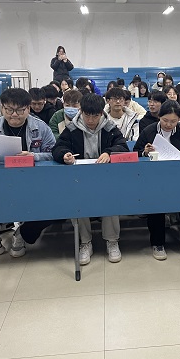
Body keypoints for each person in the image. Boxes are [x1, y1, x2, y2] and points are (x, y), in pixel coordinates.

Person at [0, 88, 56, 263]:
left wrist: (34, 156)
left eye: (20, 110)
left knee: (58, 205)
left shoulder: (41, 128)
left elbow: (54, 154)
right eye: (9, 110)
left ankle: (22, 234)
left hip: (34, 182)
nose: (14, 115)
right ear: (2, 108)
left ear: (28, 109)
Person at [52, 93, 129, 265]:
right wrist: (65, 155)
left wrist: (109, 153)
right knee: (78, 202)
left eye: (95, 116)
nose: (91, 120)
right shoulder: (72, 128)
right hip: (80, 179)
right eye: (87, 115)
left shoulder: (109, 127)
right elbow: (58, 148)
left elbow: (123, 147)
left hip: (106, 179)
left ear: (102, 113)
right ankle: (85, 242)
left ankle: (112, 240)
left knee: (111, 199)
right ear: (81, 111)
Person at [133, 101, 180, 260]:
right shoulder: (149, 131)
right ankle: (157, 242)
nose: (169, 124)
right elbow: (136, 152)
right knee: (155, 202)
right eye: (165, 120)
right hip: (155, 178)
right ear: (159, 117)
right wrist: (144, 152)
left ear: (179, 120)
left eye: (173, 121)